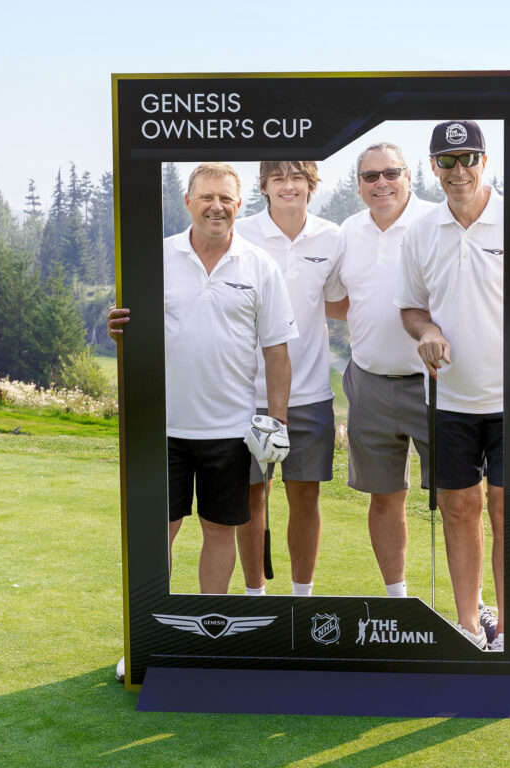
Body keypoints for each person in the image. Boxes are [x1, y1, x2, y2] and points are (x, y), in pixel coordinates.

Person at [108, 162, 297, 680]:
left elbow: (277, 352)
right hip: (162, 428)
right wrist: (117, 324)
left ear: (240, 205)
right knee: (158, 535)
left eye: (226, 199)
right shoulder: (155, 258)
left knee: (219, 532)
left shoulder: (259, 265)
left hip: (231, 431)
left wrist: (277, 423)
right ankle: (144, 638)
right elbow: (127, 324)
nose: (217, 206)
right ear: (188, 201)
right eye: (207, 197)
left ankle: (205, 638)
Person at [397, 120, 510, 651]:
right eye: (447, 161)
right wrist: (427, 332)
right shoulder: (421, 232)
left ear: (484, 161)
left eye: (468, 158)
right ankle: (470, 628)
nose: (459, 171)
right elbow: (411, 309)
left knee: (506, 510)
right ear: (433, 167)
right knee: (459, 509)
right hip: (449, 398)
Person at [234, 160, 346, 597]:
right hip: (246, 393)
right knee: (251, 497)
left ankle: (302, 601)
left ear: (310, 184)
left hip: (311, 392)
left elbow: (335, 300)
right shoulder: (240, 232)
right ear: (263, 186)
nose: (288, 186)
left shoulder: (331, 236)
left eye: (297, 177)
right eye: (277, 178)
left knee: (305, 498)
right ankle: (255, 598)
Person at [332, 142, 435, 598]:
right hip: (369, 383)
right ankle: (398, 601)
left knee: (458, 497)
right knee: (384, 497)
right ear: (359, 185)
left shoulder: (435, 222)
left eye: (391, 173)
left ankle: (471, 609)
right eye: (370, 176)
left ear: (409, 177)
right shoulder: (348, 232)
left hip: (435, 383)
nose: (381, 183)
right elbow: (337, 300)